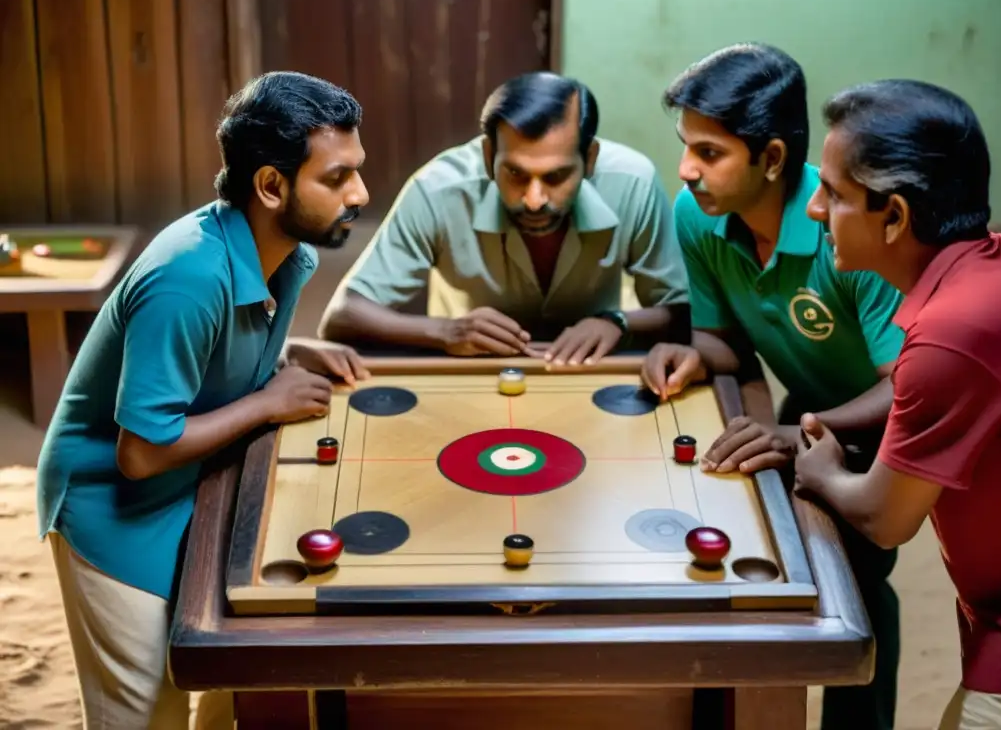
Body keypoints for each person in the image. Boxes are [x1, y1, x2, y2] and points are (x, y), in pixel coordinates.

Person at [35, 71, 370, 729]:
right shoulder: (186, 276)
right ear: (271, 186)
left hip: (201, 480)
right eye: (336, 178)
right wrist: (269, 404)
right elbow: (140, 453)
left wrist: (289, 352)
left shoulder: (287, 254)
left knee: (233, 684)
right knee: (142, 714)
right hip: (113, 507)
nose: (359, 192)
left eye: (356, 170)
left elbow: (226, 350)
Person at [639, 44, 905, 730]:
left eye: (709, 152)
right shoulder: (695, 215)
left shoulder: (850, 229)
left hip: (891, 423)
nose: (687, 169)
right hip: (813, 407)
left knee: (858, 584)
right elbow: (722, 336)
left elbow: (910, 387)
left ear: (775, 159)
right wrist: (690, 354)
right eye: (685, 147)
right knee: (776, 558)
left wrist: (800, 436)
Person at [794, 79, 1001, 729]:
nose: (814, 210)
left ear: (894, 217)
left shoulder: (955, 333)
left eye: (833, 194)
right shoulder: (998, 264)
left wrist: (821, 471)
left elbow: (884, 518)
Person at [317, 71, 691, 364]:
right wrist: (446, 332)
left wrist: (617, 323)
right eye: (515, 174)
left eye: (556, 176)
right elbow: (343, 316)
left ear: (590, 159)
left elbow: (683, 312)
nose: (533, 199)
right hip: (468, 370)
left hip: (591, 367)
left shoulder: (633, 184)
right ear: (486, 156)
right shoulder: (438, 190)